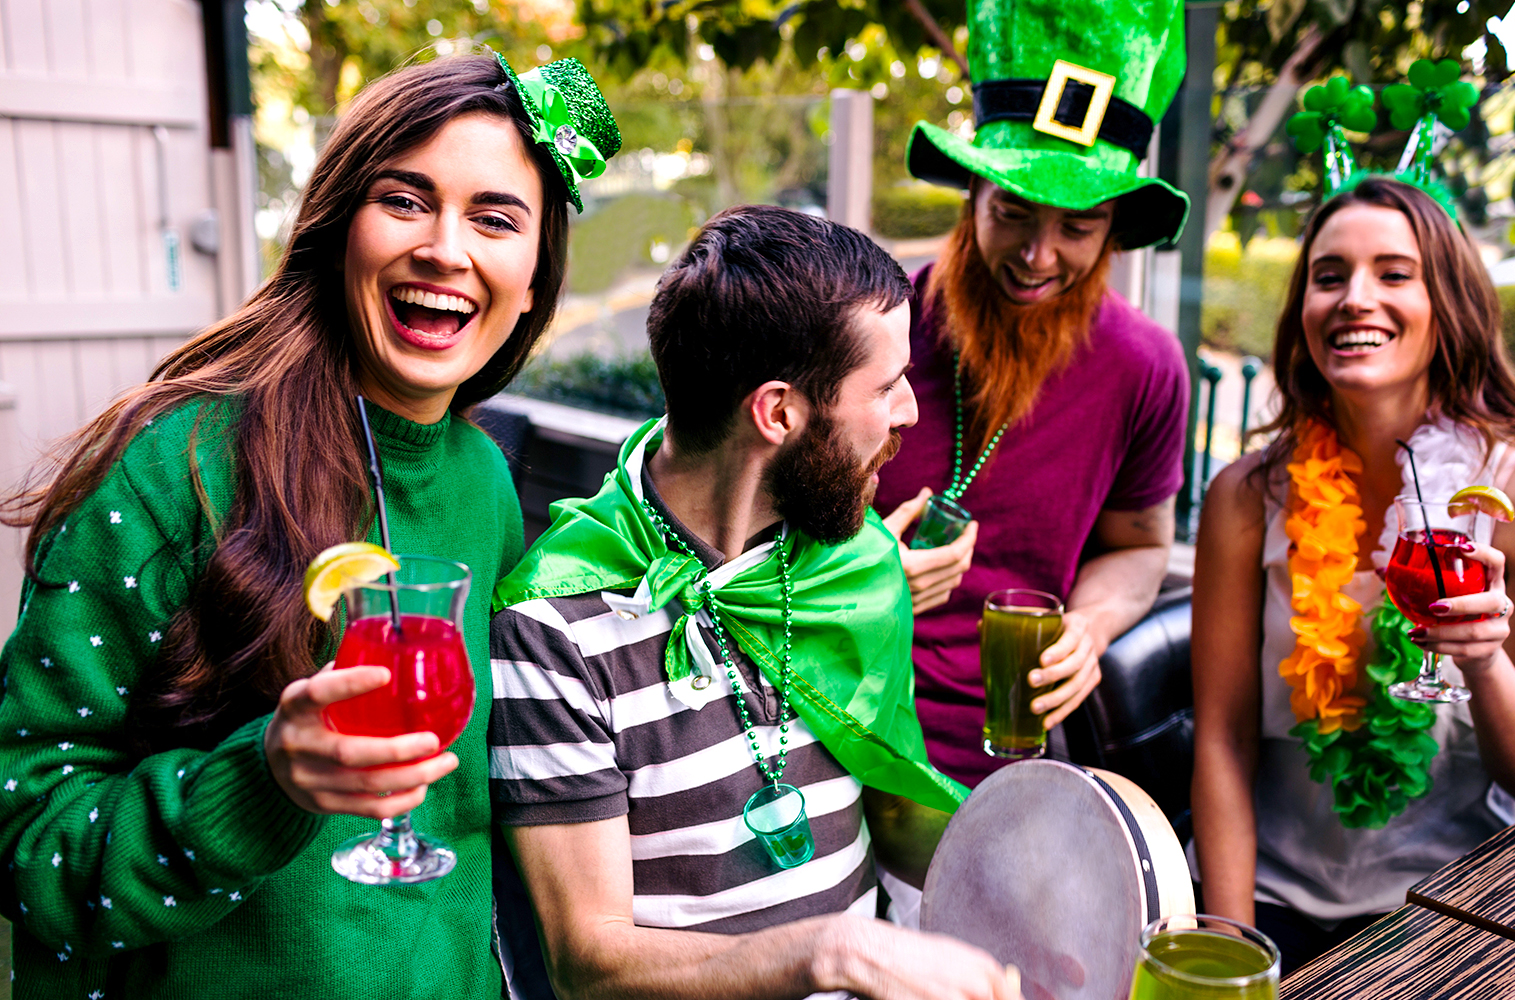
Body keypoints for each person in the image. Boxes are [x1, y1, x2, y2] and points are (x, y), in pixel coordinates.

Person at [0, 52, 619, 997]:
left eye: (495, 219)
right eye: (405, 201)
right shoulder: (183, 467)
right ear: (338, 233)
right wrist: (259, 787)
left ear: (534, 282)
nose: (447, 249)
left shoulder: (486, 480)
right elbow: (26, 842)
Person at [487, 205, 1022, 1000]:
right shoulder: (550, 630)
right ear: (778, 413)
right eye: (886, 386)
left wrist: (1063, 872)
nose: (908, 411)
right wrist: (829, 952)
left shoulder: (852, 567)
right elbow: (586, 965)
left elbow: (896, 814)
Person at [1190, 175, 1515, 973]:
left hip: (1464, 909)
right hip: (1266, 900)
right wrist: (1234, 956)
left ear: (1448, 302)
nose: (1354, 298)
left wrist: (1482, 659)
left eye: (1394, 272)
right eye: (1329, 275)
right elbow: (1223, 741)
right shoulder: (1245, 495)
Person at [873, 0, 1193, 790]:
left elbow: (1140, 546)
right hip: (829, 726)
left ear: (1115, 228)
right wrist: (860, 570)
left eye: (1079, 227)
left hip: (1005, 760)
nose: (1038, 256)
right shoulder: (868, 329)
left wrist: (1093, 624)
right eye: (1013, 212)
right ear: (973, 196)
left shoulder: (1146, 367)